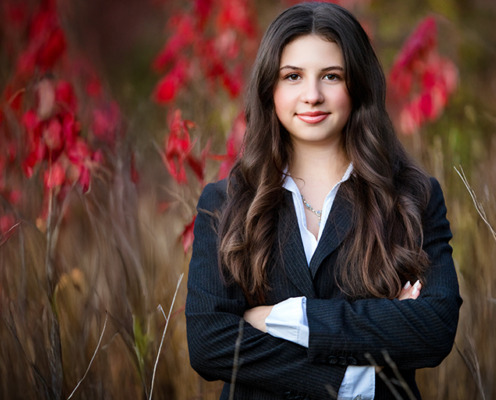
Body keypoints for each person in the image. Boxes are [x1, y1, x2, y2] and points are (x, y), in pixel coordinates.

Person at [184, 2, 461, 399]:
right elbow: (211, 343)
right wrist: (350, 377)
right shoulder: (225, 203)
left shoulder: (411, 197)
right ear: (270, 88)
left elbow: (433, 329)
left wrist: (288, 318)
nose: (312, 95)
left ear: (358, 86)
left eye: (331, 76)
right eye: (292, 76)